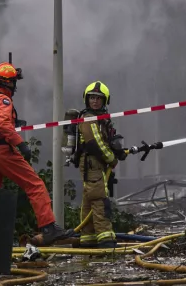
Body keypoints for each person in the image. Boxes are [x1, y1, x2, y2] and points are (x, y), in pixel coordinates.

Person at [0, 62, 71, 245]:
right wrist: (21, 144)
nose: (14, 86)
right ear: (7, 83)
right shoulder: (2, 100)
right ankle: (48, 228)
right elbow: (3, 124)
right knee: (34, 185)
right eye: (13, 81)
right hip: (1, 152)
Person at [74, 81, 123, 249]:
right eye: (92, 98)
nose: (94, 101)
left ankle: (88, 237)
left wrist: (118, 150)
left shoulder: (101, 119)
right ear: (86, 99)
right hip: (92, 162)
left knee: (90, 198)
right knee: (99, 198)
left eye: (98, 98)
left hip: (94, 163)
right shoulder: (89, 118)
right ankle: (105, 237)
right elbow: (94, 143)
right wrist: (111, 158)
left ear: (105, 100)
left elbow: (105, 140)